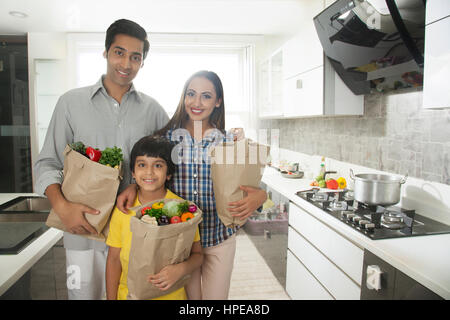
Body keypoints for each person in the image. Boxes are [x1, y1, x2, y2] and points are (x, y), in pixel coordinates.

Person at [33, 19, 169, 300]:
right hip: (82, 229)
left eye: (136, 56)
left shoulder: (154, 111)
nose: (126, 63)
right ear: (105, 53)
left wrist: (135, 184)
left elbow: (171, 165)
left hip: (136, 231)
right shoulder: (71, 103)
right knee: (82, 295)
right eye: (119, 52)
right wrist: (62, 207)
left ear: (143, 62)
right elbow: (47, 163)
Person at [116, 70, 267, 299]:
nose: (197, 102)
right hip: (179, 243)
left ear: (218, 101)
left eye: (206, 96)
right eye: (191, 94)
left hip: (219, 238)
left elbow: (246, 187)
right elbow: (148, 174)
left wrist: (261, 197)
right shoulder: (165, 140)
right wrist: (132, 186)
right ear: (183, 97)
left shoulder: (228, 142)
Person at [105, 136, 202, 300]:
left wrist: (181, 269)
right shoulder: (123, 210)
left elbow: (198, 255)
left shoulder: (183, 210)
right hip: (128, 295)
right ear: (133, 173)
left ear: (169, 173)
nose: (149, 172)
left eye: (158, 165)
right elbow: (113, 260)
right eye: (142, 165)